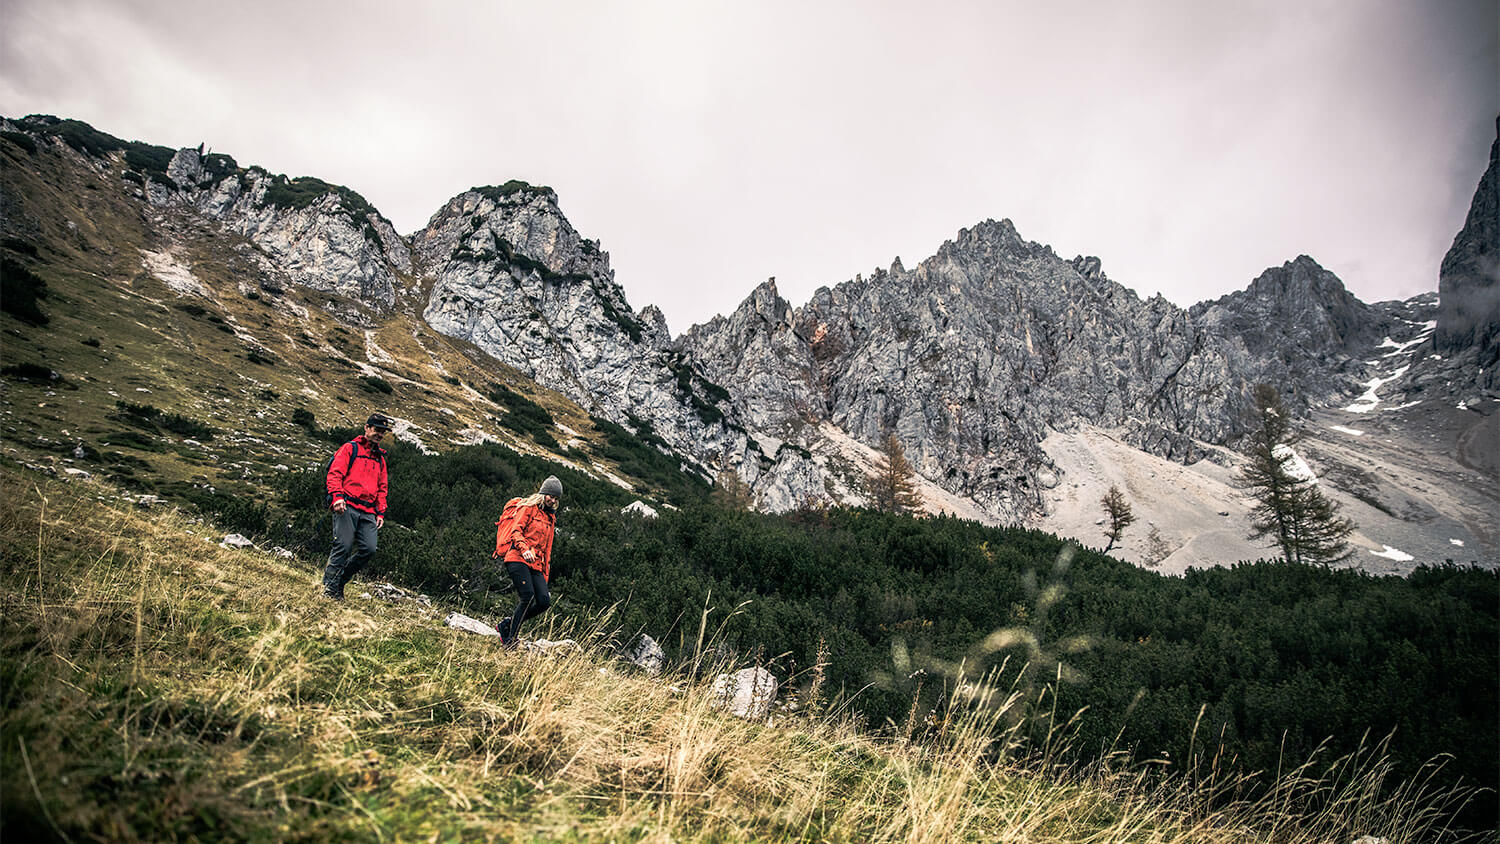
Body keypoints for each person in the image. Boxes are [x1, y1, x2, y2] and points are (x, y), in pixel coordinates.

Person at [322, 412, 391, 601]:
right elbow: (335, 473)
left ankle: (340, 581)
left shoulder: (380, 459)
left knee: (369, 549)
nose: (380, 434)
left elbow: (382, 487)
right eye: (377, 430)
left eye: (383, 432)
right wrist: (337, 497)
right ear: (367, 428)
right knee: (342, 546)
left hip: (368, 511)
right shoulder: (350, 448)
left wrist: (380, 512)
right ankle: (329, 591)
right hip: (347, 505)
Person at [495, 476, 562, 645]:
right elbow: (516, 531)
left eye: (556, 498)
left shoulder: (550, 518)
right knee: (527, 596)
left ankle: (507, 624)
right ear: (543, 493)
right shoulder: (529, 508)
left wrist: (544, 573)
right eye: (551, 496)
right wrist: (524, 549)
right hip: (517, 557)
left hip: (536, 564)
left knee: (544, 601)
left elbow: (547, 548)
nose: (552, 501)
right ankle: (510, 638)